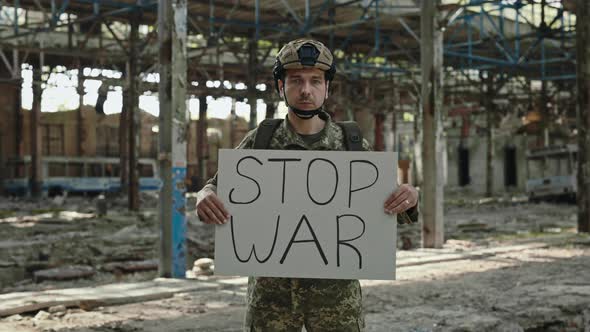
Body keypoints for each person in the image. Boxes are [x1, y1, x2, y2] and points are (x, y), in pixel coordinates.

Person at [196, 38, 419, 332]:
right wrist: (204, 195)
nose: (305, 90)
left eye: (316, 81)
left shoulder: (350, 144)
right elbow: (215, 188)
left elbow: (397, 211)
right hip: (271, 302)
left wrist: (410, 196)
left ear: (327, 88)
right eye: (295, 80)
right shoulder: (260, 141)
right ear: (280, 87)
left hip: (336, 303)